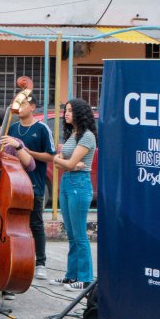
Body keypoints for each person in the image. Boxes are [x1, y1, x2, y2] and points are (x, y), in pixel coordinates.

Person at [7, 93, 55, 280]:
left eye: (24, 103)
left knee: (35, 223)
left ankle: (40, 262)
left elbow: (50, 156)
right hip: (12, 183)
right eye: (17, 103)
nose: (19, 107)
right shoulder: (12, 128)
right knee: (15, 224)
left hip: (34, 183)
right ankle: (18, 259)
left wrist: (26, 152)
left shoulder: (42, 129)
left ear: (33, 107)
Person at [51, 98, 96, 291]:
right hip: (68, 181)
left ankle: (85, 278)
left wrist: (62, 161)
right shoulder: (73, 134)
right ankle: (71, 275)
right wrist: (63, 161)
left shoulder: (87, 136)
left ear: (79, 113)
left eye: (69, 111)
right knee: (70, 233)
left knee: (79, 235)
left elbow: (66, 163)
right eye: (65, 110)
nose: (66, 114)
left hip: (79, 184)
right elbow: (62, 162)